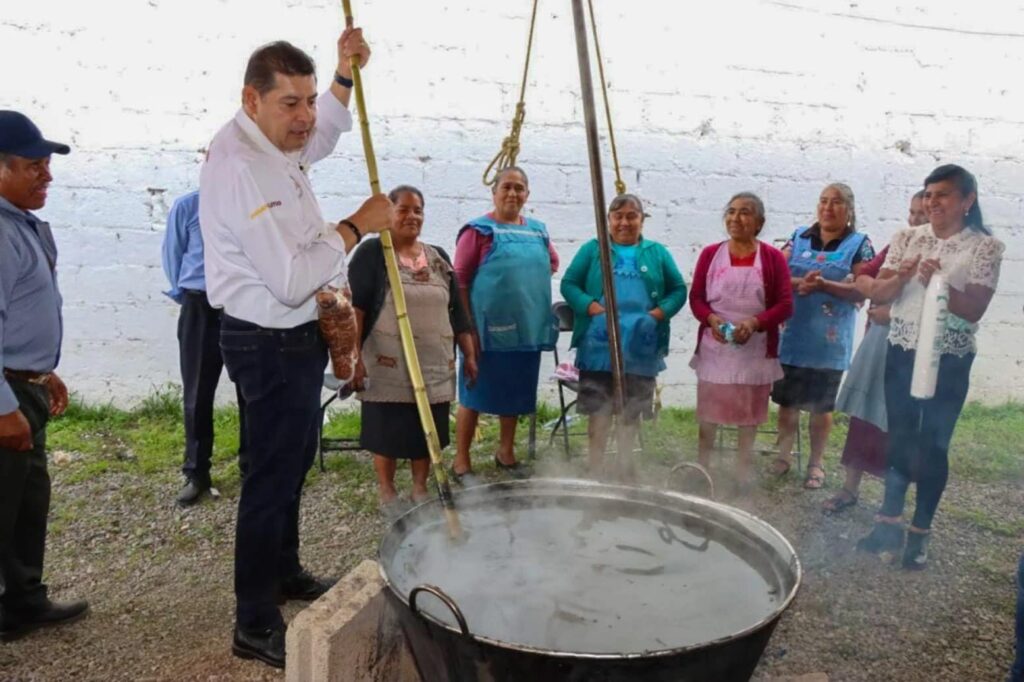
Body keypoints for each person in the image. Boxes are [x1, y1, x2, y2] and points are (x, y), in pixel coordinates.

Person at [199, 32, 392, 668]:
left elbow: (325, 135)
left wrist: (341, 76)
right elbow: (289, 278)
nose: (305, 117)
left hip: (288, 338)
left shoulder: (272, 142)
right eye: (291, 103)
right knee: (271, 476)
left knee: (290, 461)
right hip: (268, 339)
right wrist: (360, 224)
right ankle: (252, 621)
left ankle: (282, 572)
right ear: (250, 99)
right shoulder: (243, 167)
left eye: (308, 99)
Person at [857, 165, 1003, 570]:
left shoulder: (983, 248)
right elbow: (881, 293)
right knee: (899, 435)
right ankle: (888, 522)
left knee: (934, 445)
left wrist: (940, 281)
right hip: (903, 348)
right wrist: (901, 277)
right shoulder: (908, 237)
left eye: (943, 194)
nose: (932, 202)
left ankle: (919, 533)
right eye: (928, 194)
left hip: (949, 358)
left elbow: (974, 309)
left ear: (967, 201)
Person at [0, 111, 89, 641]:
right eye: (34, 165)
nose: (47, 176)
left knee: (27, 501)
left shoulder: (20, 224)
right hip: (7, 395)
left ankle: (24, 600)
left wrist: (41, 373)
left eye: (47, 165)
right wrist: (5, 407)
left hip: (22, 383)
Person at [347, 185, 477, 514]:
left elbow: (458, 312)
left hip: (434, 363)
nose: (412, 216)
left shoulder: (437, 256)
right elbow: (357, 310)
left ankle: (420, 488)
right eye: (403, 209)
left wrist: (470, 354)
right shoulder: (373, 253)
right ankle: (387, 491)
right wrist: (353, 359)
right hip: (386, 362)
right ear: (388, 213)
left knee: (427, 428)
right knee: (385, 428)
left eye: (418, 210)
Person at [561, 194, 687, 468]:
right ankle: (596, 467)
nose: (624, 222)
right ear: (608, 220)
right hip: (599, 345)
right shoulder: (593, 249)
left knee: (631, 411)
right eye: (618, 216)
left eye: (632, 216)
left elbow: (678, 289)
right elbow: (569, 284)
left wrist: (658, 313)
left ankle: (625, 467)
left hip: (640, 346)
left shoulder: (657, 252)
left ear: (642, 220)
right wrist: (590, 306)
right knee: (599, 410)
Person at [823, 190, 928, 514]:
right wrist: (873, 290)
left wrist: (891, 313)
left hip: (914, 354)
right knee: (864, 418)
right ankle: (849, 488)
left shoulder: (941, 254)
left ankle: (890, 503)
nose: (913, 221)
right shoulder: (899, 244)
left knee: (897, 423)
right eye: (911, 213)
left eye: (920, 215)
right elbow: (865, 272)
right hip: (879, 343)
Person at [451, 166, 558, 480]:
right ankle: (461, 461)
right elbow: (459, 281)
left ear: (527, 194)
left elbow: (551, 262)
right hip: (485, 332)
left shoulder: (538, 230)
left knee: (515, 394)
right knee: (473, 394)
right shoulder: (478, 231)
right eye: (507, 187)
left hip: (526, 329)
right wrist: (467, 327)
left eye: (519, 188)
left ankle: (506, 452)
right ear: (494, 191)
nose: (513, 193)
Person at [769, 183, 875, 489]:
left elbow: (864, 286)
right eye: (824, 201)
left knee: (821, 407)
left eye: (837, 202)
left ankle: (816, 463)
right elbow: (775, 274)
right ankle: (784, 456)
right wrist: (801, 282)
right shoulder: (800, 236)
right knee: (787, 403)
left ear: (849, 209)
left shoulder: (859, 244)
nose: (828, 207)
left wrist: (824, 286)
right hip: (793, 335)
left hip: (829, 342)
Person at [688, 192, 792, 491]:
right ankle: (702, 467)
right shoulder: (710, 254)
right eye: (731, 211)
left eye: (745, 212)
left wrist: (754, 323)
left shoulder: (772, 258)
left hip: (755, 349)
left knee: (749, 414)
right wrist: (711, 319)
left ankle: (742, 471)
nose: (736, 218)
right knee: (709, 413)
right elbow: (695, 298)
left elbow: (785, 304)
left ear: (759, 222)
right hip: (715, 346)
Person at [161, 191, 247, 506]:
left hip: (242, 304)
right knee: (197, 393)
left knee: (250, 391)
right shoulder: (188, 206)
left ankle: (251, 466)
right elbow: (173, 254)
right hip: (200, 304)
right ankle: (196, 472)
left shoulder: (249, 203)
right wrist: (190, 295)